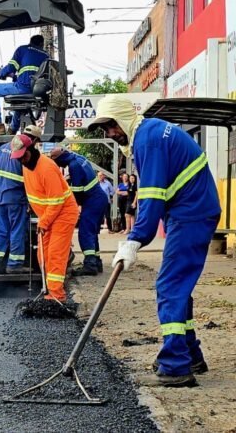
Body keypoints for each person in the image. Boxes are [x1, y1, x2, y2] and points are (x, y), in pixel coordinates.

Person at [89, 94, 221, 387]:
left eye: (111, 125)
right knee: (178, 286)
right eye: (105, 129)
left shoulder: (148, 140)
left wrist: (135, 239)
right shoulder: (150, 133)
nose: (110, 133)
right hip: (191, 211)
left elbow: (152, 196)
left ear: (124, 118)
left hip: (192, 213)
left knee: (170, 286)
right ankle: (190, 353)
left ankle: (175, 366)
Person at [10, 134, 79, 302]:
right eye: (18, 158)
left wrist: (44, 221)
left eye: (24, 156)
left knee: (55, 254)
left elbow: (57, 200)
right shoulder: (27, 166)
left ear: (32, 149)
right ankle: (48, 289)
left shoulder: (46, 168)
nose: (22, 161)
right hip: (47, 216)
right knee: (43, 255)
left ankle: (56, 296)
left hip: (63, 214)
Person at [49, 148, 108, 275]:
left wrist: (71, 206)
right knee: (92, 232)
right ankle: (96, 262)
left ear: (59, 159)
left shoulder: (73, 166)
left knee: (85, 232)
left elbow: (77, 191)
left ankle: (90, 265)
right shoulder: (79, 158)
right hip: (99, 199)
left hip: (92, 201)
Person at [0, 35, 50, 136]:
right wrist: (14, 76)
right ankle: (12, 130)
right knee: (21, 103)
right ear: (42, 44)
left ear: (30, 42)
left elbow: (11, 67)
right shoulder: (46, 56)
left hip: (23, 88)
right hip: (37, 90)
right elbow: (32, 75)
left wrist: (0, 72)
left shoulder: (22, 49)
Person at [0, 131, 29, 274]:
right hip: (15, 199)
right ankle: (14, 265)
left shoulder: (3, 148)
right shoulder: (25, 154)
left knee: (1, 230)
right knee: (17, 230)